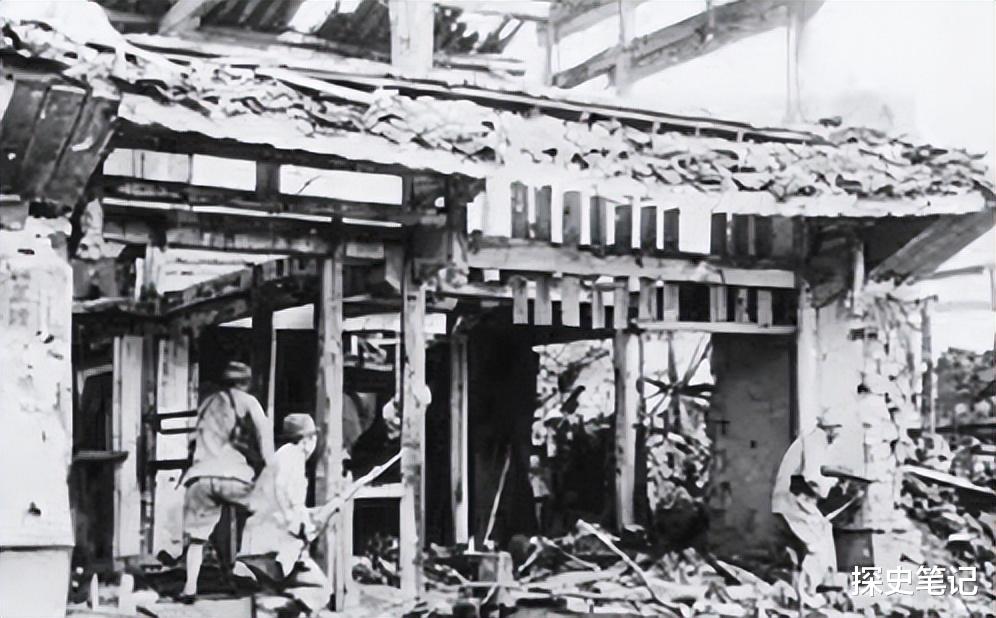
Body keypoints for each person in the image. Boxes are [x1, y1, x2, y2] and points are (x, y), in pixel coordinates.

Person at [180, 361, 275, 601]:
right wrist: (271, 471)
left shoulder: (207, 403)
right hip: (234, 475)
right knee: (269, 511)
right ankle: (252, 569)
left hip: (200, 477)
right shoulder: (249, 402)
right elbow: (265, 441)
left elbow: (192, 440)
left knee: (197, 538)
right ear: (247, 382)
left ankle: (190, 587)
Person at [238, 414, 332, 615]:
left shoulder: (280, 457)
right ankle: (276, 610)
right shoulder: (295, 459)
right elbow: (290, 503)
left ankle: (271, 608)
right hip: (273, 550)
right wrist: (307, 526)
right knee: (321, 590)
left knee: (272, 592)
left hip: (255, 545)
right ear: (307, 440)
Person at [770, 409, 846, 599]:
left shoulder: (813, 439)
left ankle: (824, 584)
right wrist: (830, 487)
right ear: (831, 428)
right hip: (792, 499)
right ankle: (810, 591)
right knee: (817, 542)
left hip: (794, 499)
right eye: (837, 429)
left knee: (824, 530)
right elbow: (812, 476)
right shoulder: (816, 440)